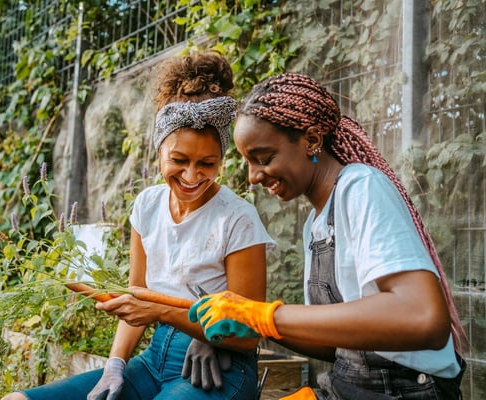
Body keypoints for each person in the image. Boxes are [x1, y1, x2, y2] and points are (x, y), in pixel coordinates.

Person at [2, 51, 275, 400]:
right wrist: (115, 364)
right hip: (152, 361)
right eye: (179, 160)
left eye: (207, 163)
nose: (192, 176)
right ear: (158, 150)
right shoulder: (147, 206)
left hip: (219, 369)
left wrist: (191, 324)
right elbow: (137, 298)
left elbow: (248, 333)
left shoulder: (237, 219)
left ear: (222, 158)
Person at [189, 73, 467, 399]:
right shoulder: (317, 222)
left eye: (263, 159)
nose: (253, 177)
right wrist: (255, 321)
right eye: (249, 162)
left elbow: (423, 318)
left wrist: (266, 315)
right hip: (348, 386)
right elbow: (335, 344)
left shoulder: (361, 187)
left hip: (405, 390)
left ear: (310, 140)